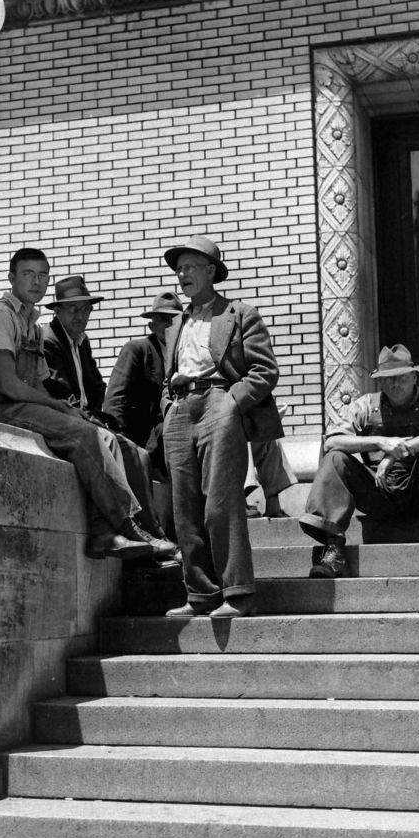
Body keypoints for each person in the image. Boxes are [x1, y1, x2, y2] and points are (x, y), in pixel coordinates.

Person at [0, 248, 175, 561]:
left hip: (20, 403)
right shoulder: (0, 315)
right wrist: (58, 407)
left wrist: (63, 408)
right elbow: (8, 383)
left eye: (42, 275)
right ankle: (126, 525)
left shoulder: (31, 326)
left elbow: (39, 383)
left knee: (103, 437)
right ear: (11, 279)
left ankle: (107, 534)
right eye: (27, 274)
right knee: (84, 435)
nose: (36, 281)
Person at [162, 235, 282, 619]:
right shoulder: (175, 323)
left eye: (190, 268)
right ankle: (200, 595)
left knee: (220, 503)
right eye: (179, 269)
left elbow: (265, 370)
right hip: (180, 409)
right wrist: (167, 405)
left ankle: (238, 593)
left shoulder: (240, 313)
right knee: (185, 507)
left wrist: (232, 401)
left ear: (211, 271)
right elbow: (169, 373)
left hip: (219, 402)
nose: (182, 275)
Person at [298, 343, 419, 578]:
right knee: (335, 458)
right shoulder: (366, 405)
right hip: (378, 493)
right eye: (388, 379)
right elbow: (333, 441)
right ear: (380, 381)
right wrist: (380, 443)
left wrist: (403, 448)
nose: (395, 385)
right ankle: (333, 549)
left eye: (402, 378)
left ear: (415, 376)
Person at [43, 276, 170, 546]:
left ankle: (152, 532)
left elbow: (96, 386)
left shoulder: (81, 341)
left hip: (85, 417)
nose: (81, 315)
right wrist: (93, 417)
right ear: (58, 311)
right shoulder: (50, 340)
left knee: (140, 455)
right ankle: (128, 529)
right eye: (73, 309)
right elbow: (59, 392)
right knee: (112, 444)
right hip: (63, 417)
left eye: (85, 309)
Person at [104, 290, 183, 479]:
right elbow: (115, 399)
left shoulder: (186, 353)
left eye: (174, 320)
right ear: (151, 325)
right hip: (146, 440)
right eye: (163, 320)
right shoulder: (138, 349)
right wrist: (121, 443)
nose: (169, 326)